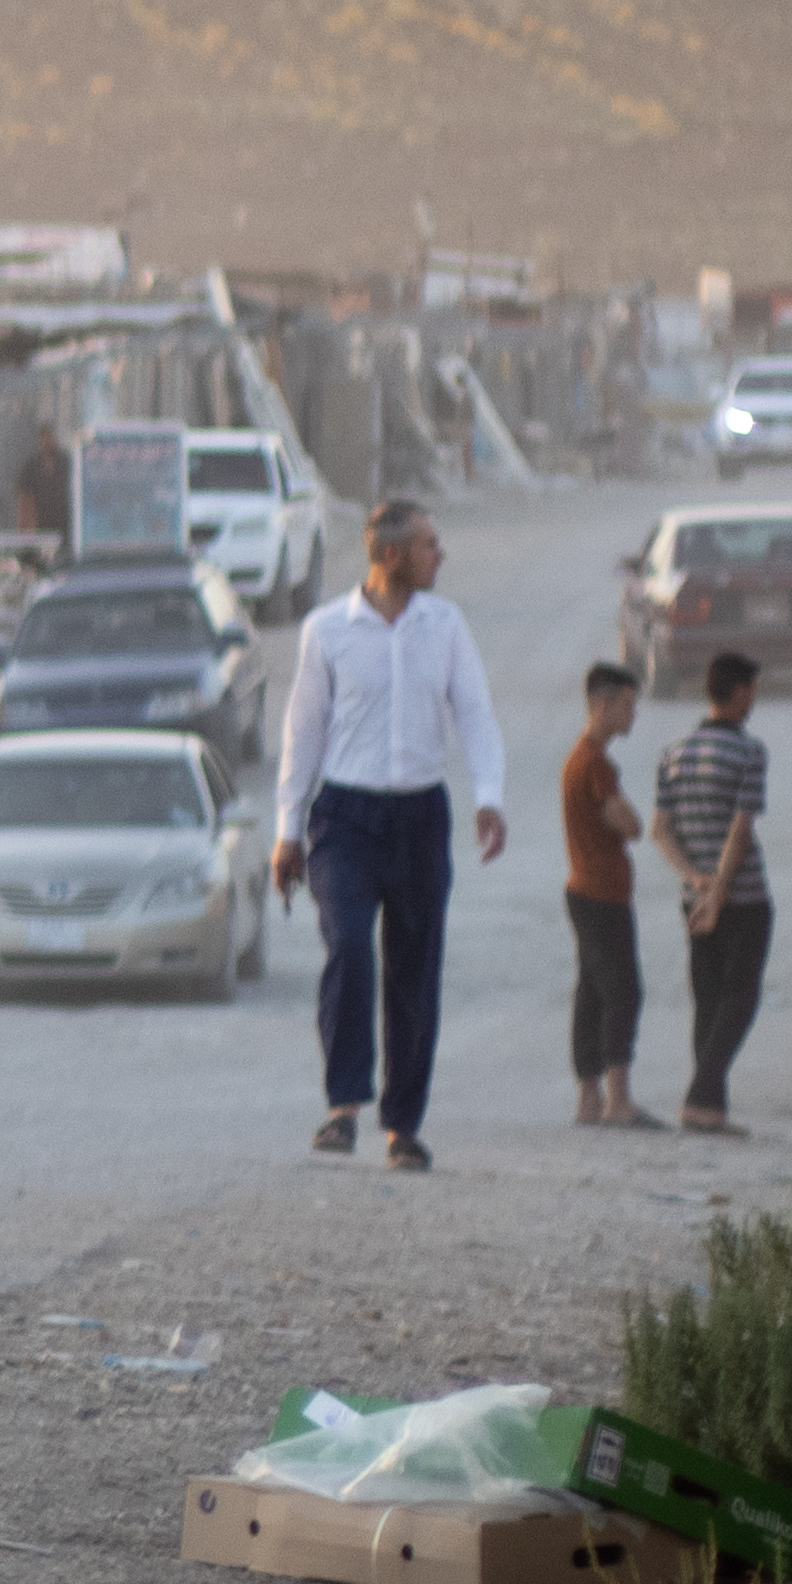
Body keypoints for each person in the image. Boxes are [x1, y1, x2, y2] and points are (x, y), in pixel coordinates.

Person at [270, 496, 508, 1172]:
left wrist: (487, 796)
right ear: (390, 555)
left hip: (418, 816)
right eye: (430, 544)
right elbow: (302, 731)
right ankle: (342, 1106)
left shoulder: (445, 625)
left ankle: (400, 1125)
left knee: (413, 968)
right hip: (344, 817)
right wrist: (287, 830)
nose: (441, 555)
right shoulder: (326, 631)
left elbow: (474, 713)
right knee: (347, 943)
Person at [656, 650, 776, 1139]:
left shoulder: (673, 752)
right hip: (743, 898)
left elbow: (661, 830)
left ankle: (710, 1108)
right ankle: (702, 1098)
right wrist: (721, 890)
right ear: (741, 691)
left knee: (707, 1000)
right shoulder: (750, 752)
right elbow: (740, 830)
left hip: (695, 898)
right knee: (740, 997)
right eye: (753, 690)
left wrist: (696, 881)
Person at [562, 660, 652, 1128]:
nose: (633, 714)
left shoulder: (584, 758)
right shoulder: (595, 763)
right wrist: (634, 820)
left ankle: (589, 1098)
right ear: (604, 704)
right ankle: (617, 1098)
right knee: (622, 990)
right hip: (601, 893)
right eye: (628, 704)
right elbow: (627, 822)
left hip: (587, 889)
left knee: (591, 992)